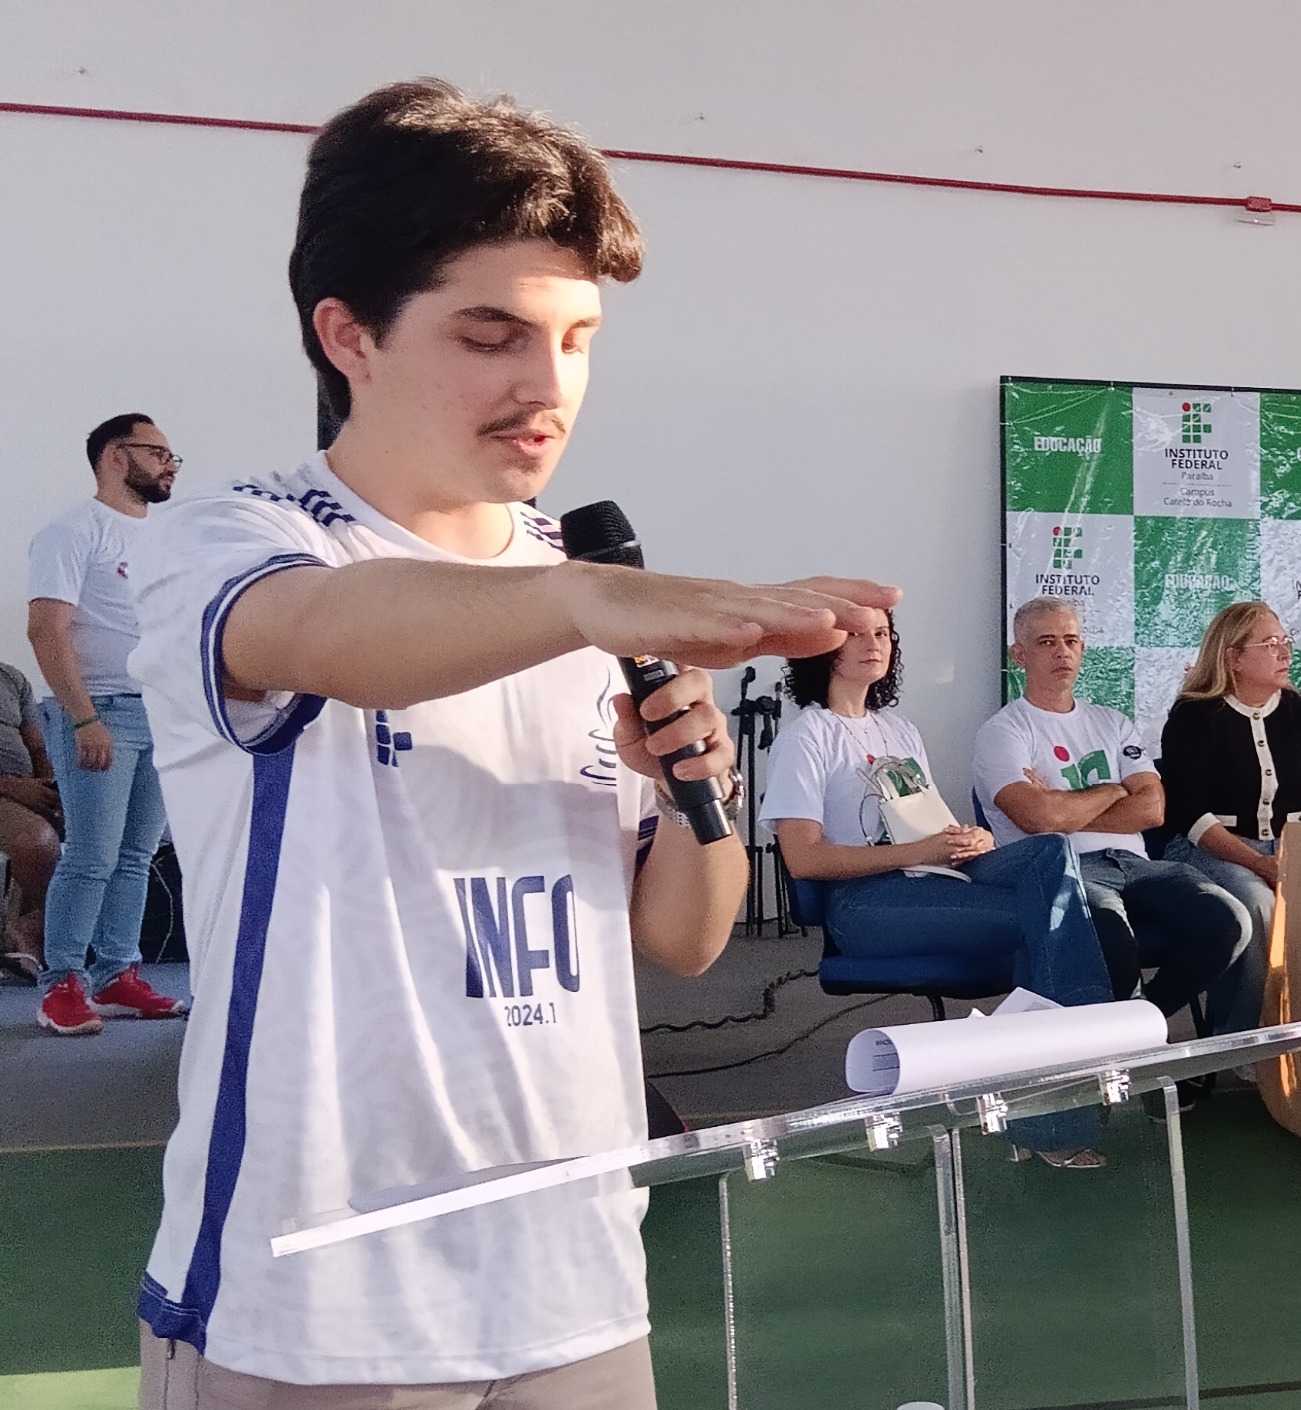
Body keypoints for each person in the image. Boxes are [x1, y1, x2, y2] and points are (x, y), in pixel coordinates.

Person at [127, 79, 894, 1401]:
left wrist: (696, 786)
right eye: (491, 336)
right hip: (316, 1301)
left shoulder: (581, 591)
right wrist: (584, 603)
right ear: (348, 334)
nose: (547, 387)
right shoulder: (240, 541)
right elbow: (325, 633)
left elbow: (686, 938)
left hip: (573, 1281)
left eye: (577, 338)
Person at [768, 609, 1114, 1163]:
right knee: (1051, 920)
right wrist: (919, 852)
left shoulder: (899, 730)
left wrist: (970, 838)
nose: (874, 643)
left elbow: (929, 824)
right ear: (822, 647)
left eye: (882, 633)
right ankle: (1073, 1087)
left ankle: (1059, 1083)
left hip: (933, 878)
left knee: (1051, 852)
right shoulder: (807, 736)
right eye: (855, 634)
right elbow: (803, 858)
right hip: (865, 905)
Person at [974, 597, 1251, 1033]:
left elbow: (1153, 809)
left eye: (1071, 641)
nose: (1062, 652)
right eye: (1047, 642)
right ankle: (1130, 1043)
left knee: (1230, 922)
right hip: (1067, 869)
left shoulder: (1113, 722)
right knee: (1112, 942)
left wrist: (1064, 805)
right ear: (1019, 655)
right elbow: (1037, 819)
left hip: (1138, 864)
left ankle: (1136, 1029)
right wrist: (1113, 789)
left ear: (1083, 649)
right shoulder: (1003, 731)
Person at [24, 412, 190, 1033]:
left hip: (159, 712)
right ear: (116, 456)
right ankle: (61, 984)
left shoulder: (167, 536)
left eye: (172, 456)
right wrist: (83, 718)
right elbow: (47, 630)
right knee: (91, 855)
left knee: (137, 855)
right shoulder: (72, 531)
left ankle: (118, 975)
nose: (170, 465)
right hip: (100, 712)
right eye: (159, 453)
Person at [1156, 601, 1301, 1032]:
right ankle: (1242, 1044)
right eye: (1270, 644)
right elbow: (1190, 814)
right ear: (1233, 657)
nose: (1284, 652)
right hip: (1213, 850)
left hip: (1290, 848)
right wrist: (1260, 863)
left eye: (1285, 641)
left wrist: (1290, 858)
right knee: (1257, 905)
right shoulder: (1194, 716)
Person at [0, 659, 56, 983]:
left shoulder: (11, 677)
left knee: (108, 836)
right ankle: (41, 937)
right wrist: (12, 787)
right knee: (36, 841)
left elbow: (37, 748)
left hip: (27, 790)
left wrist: (50, 788)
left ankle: (28, 929)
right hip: (7, 792)